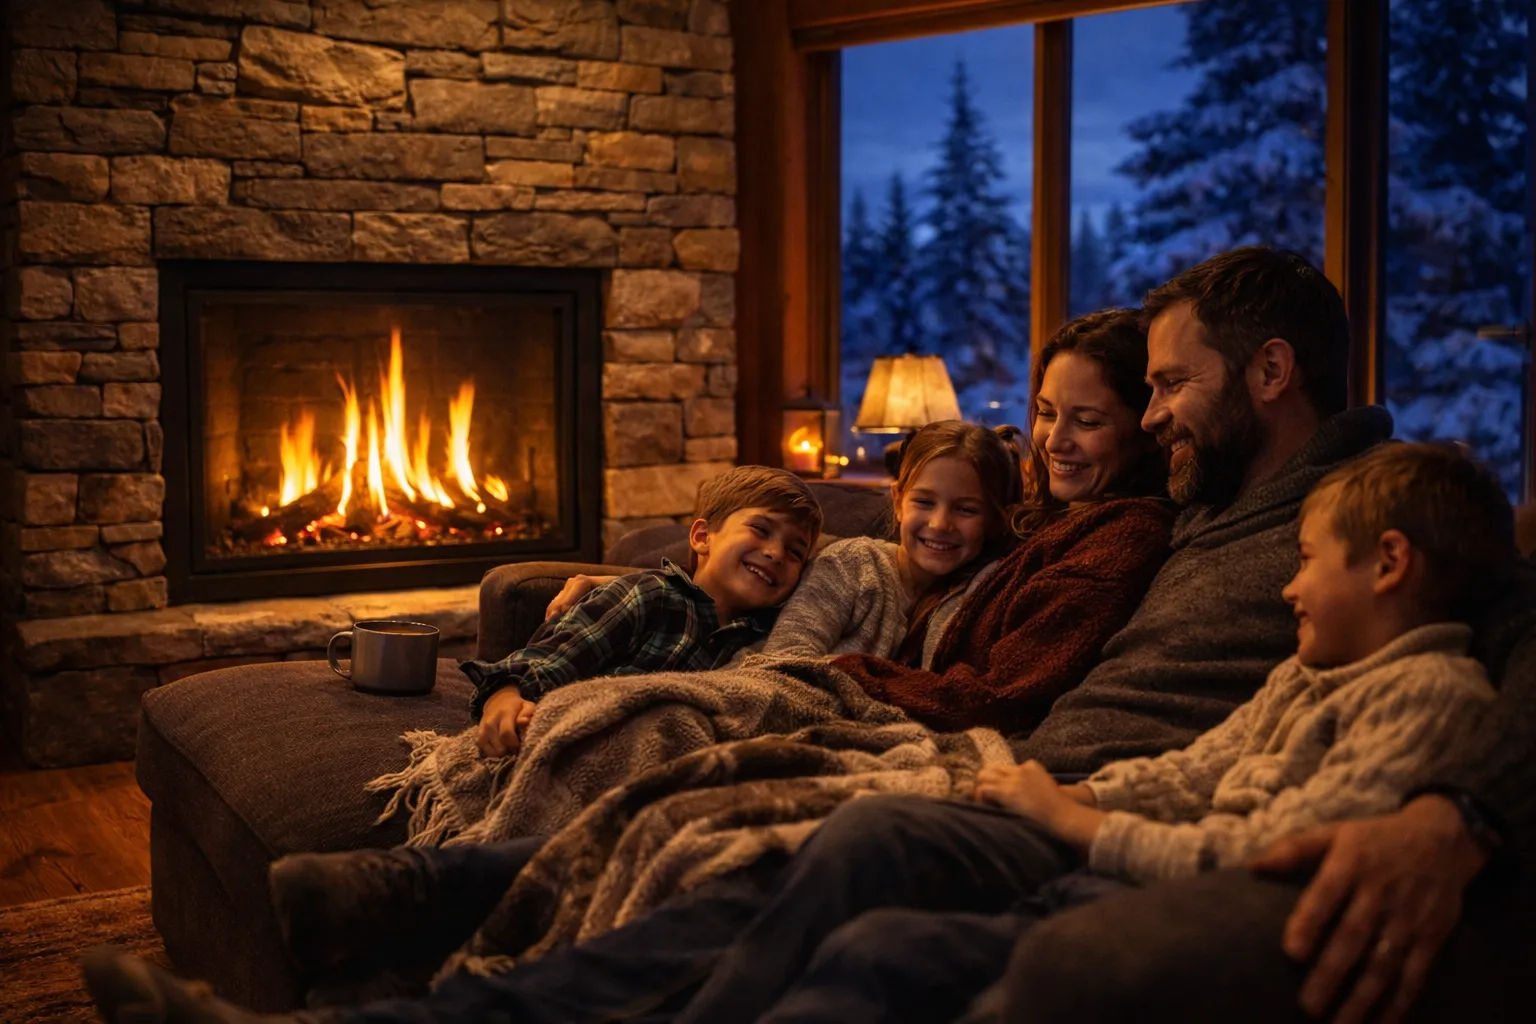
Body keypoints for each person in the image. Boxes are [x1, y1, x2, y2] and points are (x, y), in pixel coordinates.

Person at [80, 308, 1174, 1024]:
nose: (1056, 437)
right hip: (847, 699)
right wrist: (605, 589)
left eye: (1088, 419)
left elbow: (992, 687)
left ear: (1143, 422)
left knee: (667, 754)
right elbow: (782, 626)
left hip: (916, 737)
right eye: (1046, 413)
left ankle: (407, 898)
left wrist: (855, 677)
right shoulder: (996, 530)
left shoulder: (1103, 537)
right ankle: (395, 893)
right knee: (654, 734)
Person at [466, 464, 822, 758]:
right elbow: (544, 663)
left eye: (795, 552)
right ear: (702, 537)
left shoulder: (771, 635)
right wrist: (504, 699)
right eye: (760, 529)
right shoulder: (648, 597)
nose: (776, 553)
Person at [714, 419, 1026, 664]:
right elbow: (783, 659)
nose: (939, 524)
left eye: (966, 509)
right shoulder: (850, 564)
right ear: (898, 501)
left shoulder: (983, 592)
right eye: (924, 502)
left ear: (994, 520)